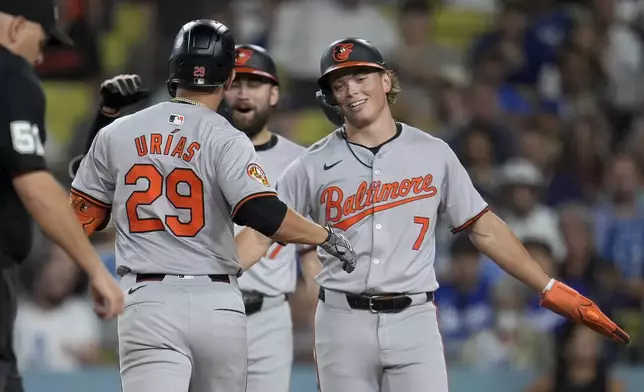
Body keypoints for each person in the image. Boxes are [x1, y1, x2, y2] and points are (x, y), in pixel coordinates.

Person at [236, 37, 629, 392]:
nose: (351, 89)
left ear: (386, 81)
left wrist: (548, 287)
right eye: (339, 84)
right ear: (332, 99)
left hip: (415, 318)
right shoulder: (310, 165)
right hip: (342, 320)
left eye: (360, 77)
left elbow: (484, 228)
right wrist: (200, 279)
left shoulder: (433, 152)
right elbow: (259, 232)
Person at [69, 20, 357, 392]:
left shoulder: (117, 133)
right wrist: (325, 236)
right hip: (215, 299)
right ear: (228, 77)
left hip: (146, 298)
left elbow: (81, 220)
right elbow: (262, 213)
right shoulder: (227, 137)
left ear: (174, 70)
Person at [0, 2, 125, 391]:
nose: (44, 53)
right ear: (18, 25)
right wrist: (94, 268)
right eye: (44, 38)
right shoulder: (11, 76)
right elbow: (34, 183)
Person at [223, 44, 306, 392]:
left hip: (269, 316)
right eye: (235, 83)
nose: (244, 93)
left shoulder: (301, 162)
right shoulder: (193, 152)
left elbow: (313, 249)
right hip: (210, 307)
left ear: (273, 94)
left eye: (254, 84)